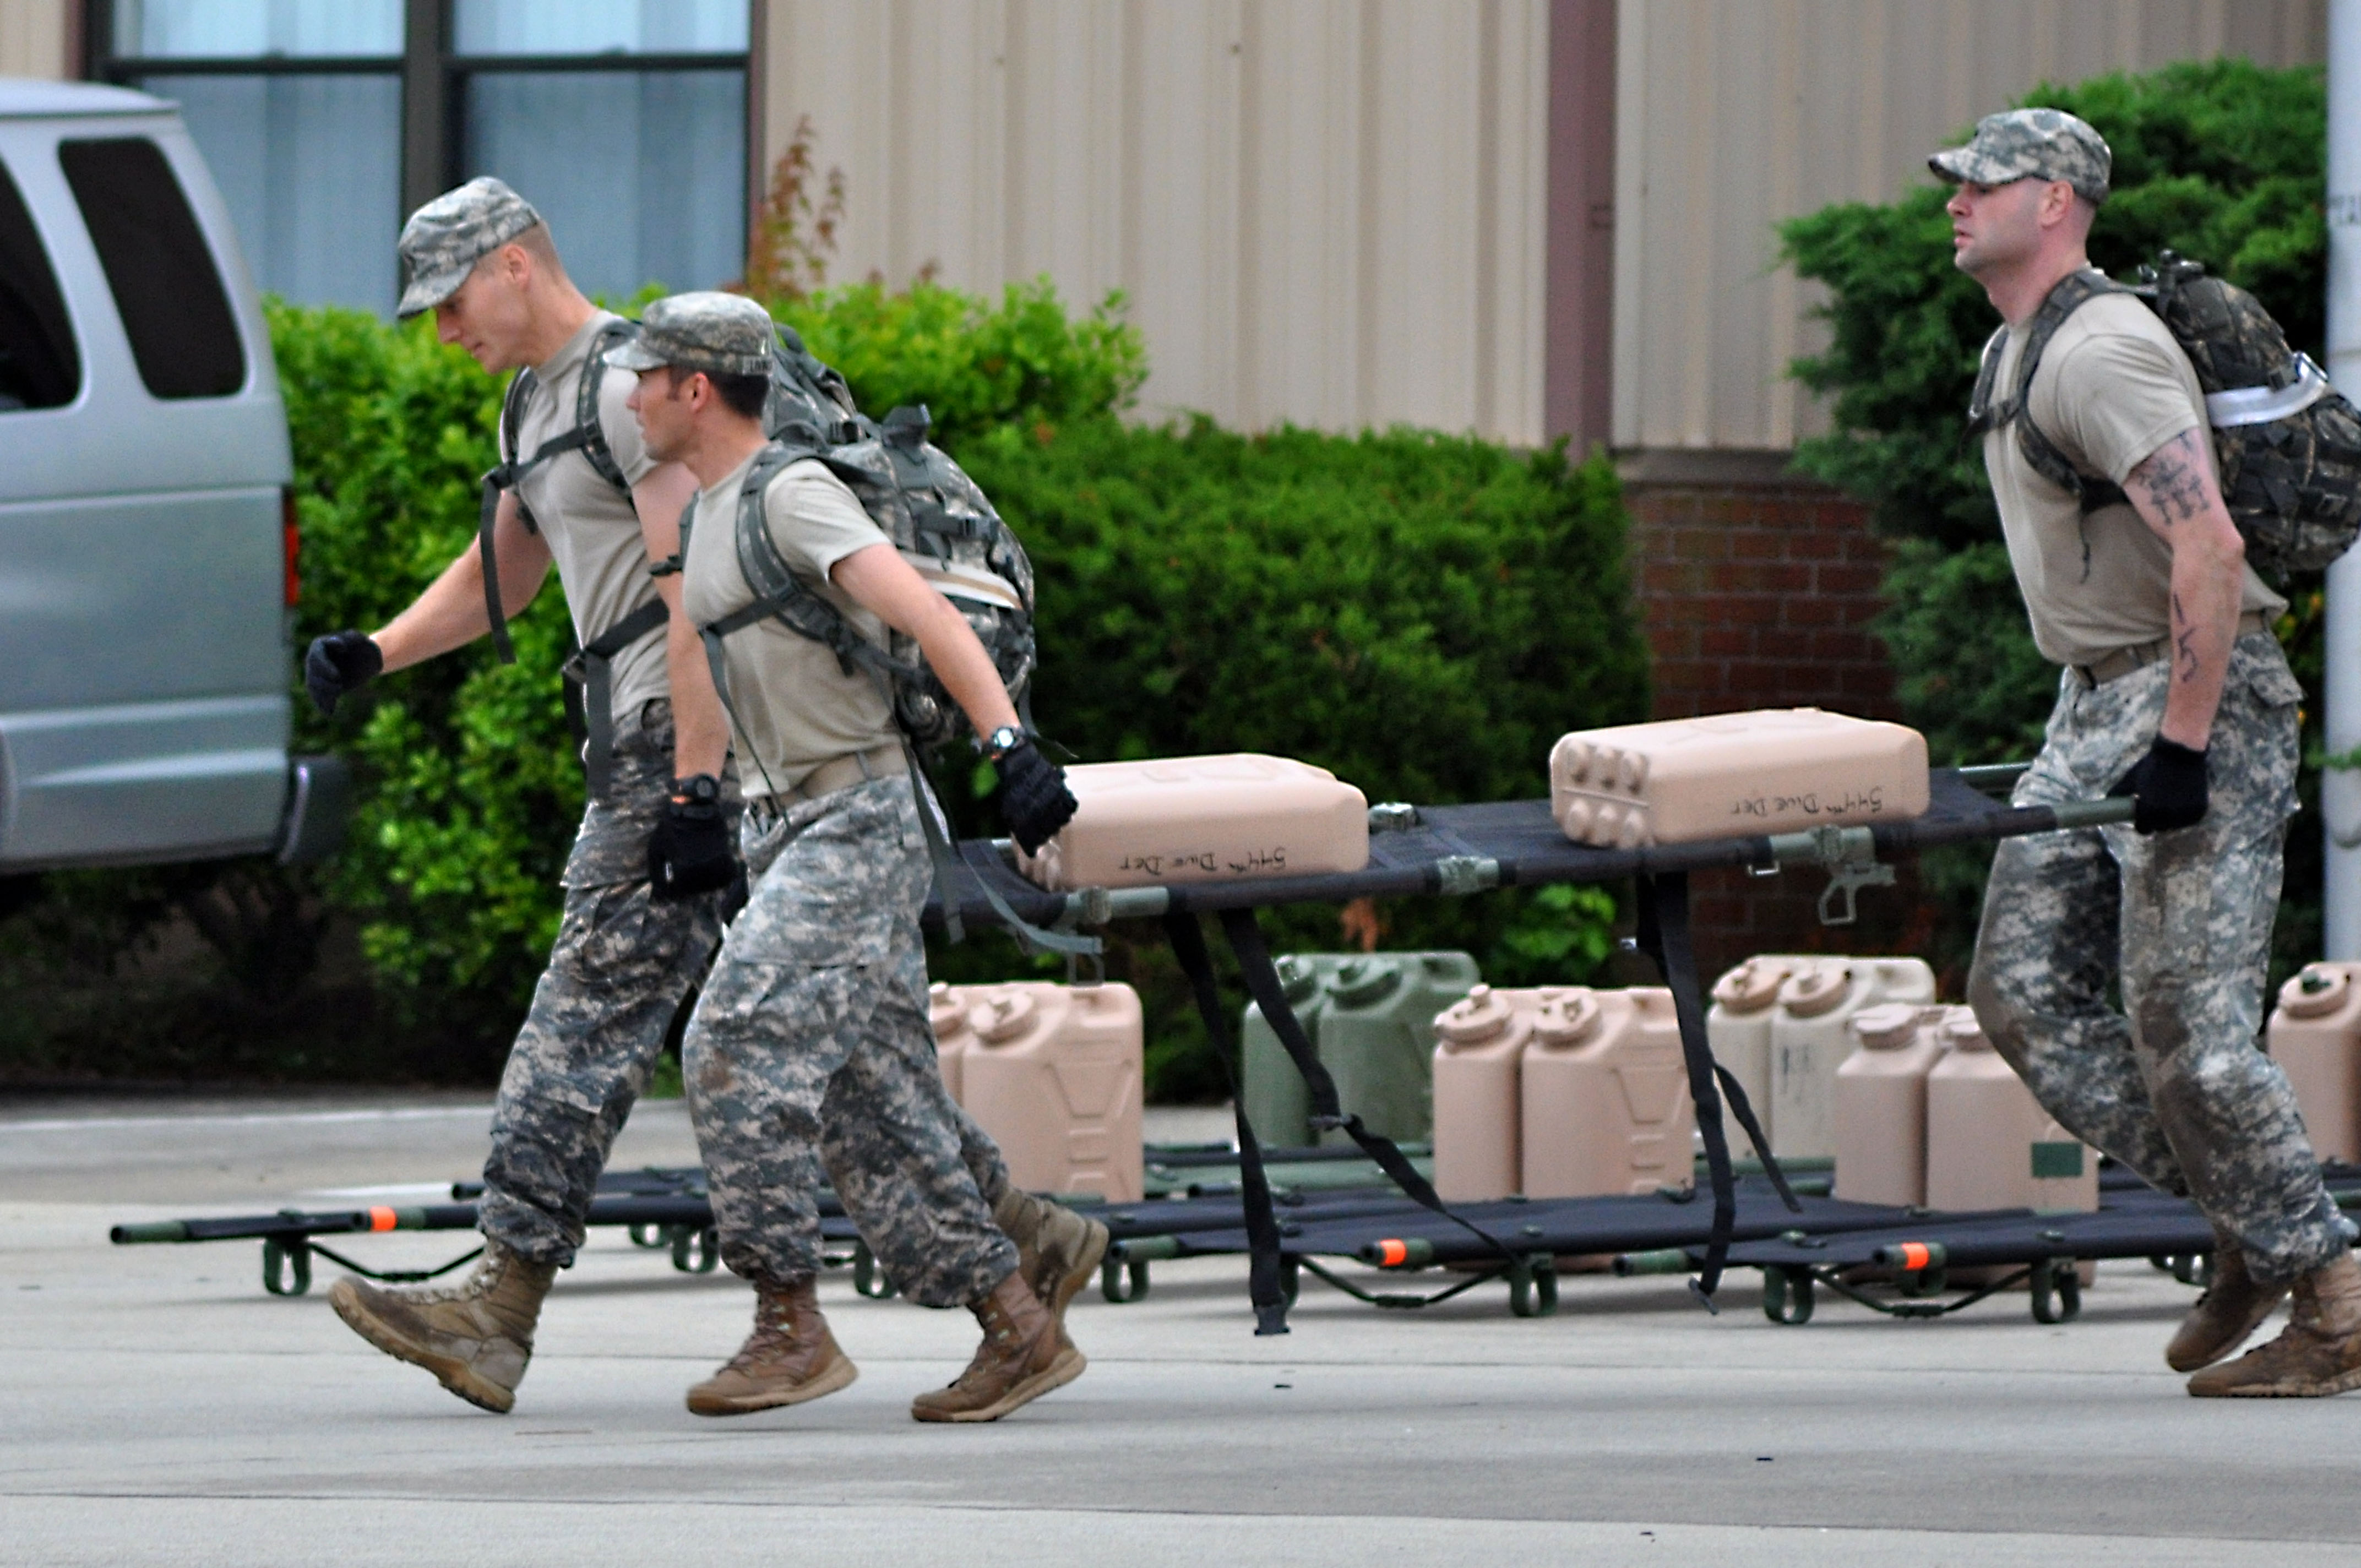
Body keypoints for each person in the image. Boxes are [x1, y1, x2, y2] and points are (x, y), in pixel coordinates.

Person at [609, 290, 1093, 1423]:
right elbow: (713, 660)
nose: (628, 395)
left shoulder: (790, 491)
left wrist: (1009, 746)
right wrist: (698, 800)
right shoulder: (711, 513)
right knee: (873, 1096)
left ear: (695, 386)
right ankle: (1020, 1315)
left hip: (858, 822)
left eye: (646, 376)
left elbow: (926, 613)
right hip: (788, 831)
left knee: (730, 1040)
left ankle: (789, 1324)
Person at [1937, 110, 2360, 1397]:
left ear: (2056, 199)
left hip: (2197, 705)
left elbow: (2209, 548)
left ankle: (2332, 1298)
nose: (1953, 201)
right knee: (2020, 996)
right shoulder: (2020, 341)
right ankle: (2263, 1223)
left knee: (2192, 1031)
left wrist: (2182, 745)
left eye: (1980, 182)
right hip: (2090, 706)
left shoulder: (2105, 349)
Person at [307, 178, 739, 1414]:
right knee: (850, 1054)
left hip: (680, 742)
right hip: (665, 747)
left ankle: (498, 1308)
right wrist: (380, 648)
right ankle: (1019, 1254)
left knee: (578, 1021)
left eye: (449, 305)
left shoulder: (622, 389)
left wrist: (697, 786)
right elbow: (509, 563)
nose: (443, 334)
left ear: (510, 265)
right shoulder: (532, 404)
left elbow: (690, 590)